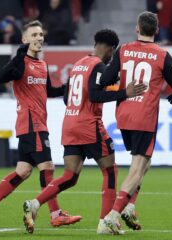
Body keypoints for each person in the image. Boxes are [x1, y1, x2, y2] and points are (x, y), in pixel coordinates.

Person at [21, 29, 147, 235]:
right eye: (112, 53)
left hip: (70, 123)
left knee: (70, 176)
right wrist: (126, 93)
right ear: (110, 48)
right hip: (89, 124)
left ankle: (35, 203)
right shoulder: (99, 65)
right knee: (110, 171)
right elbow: (96, 95)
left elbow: (66, 97)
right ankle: (104, 223)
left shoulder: (79, 64)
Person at [0, 20, 81, 229]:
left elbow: (47, 91)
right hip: (31, 123)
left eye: (41, 34)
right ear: (25, 39)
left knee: (23, 171)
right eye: (33, 35)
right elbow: (2, 76)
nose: (39, 38)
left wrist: (65, 88)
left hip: (35, 124)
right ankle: (55, 213)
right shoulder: (21, 62)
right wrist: (20, 55)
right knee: (48, 168)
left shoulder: (42, 65)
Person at [98, 11, 172, 234]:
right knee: (137, 168)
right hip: (145, 117)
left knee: (145, 164)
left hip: (124, 115)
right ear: (156, 30)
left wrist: (122, 80)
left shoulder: (124, 50)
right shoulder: (162, 54)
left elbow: (106, 79)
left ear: (137, 28)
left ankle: (129, 206)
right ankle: (113, 215)